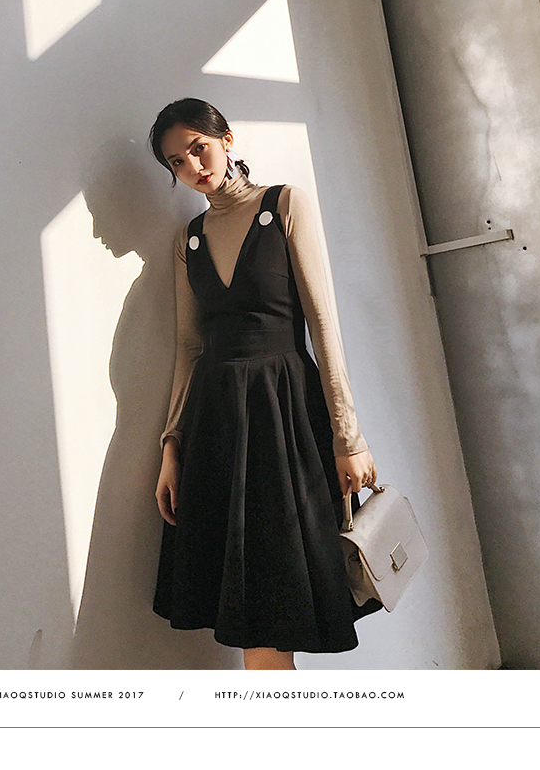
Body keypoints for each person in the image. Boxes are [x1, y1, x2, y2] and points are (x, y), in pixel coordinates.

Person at [149, 98, 383, 670]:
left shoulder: (283, 206)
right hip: (217, 428)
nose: (193, 166)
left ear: (226, 139)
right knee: (255, 614)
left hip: (284, 417)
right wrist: (171, 447)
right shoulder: (188, 239)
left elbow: (322, 324)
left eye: (199, 148)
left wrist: (348, 437)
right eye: (177, 162)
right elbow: (189, 348)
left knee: (275, 605)